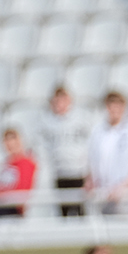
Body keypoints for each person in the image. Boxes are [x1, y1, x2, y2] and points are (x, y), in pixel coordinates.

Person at [88, 90, 128, 209]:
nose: (114, 109)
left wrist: (125, 188)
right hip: (106, 194)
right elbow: (93, 161)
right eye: (111, 105)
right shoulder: (98, 131)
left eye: (118, 105)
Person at [37, 86, 91, 216]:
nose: (60, 104)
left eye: (63, 100)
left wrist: (88, 171)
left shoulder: (81, 119)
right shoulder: (46, 122)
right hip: (59, 173)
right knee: (64, 212)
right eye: (57, 101)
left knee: (80, 211)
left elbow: (89, 145)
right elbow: (43, 149)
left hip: (78, 172)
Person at [0, 128, 37, 216]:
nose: (10, 144)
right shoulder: (6, 164)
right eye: (7, 140)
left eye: (13, 139)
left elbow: (22, 190)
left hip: (14, 210)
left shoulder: (26, 163)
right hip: (2, 207)